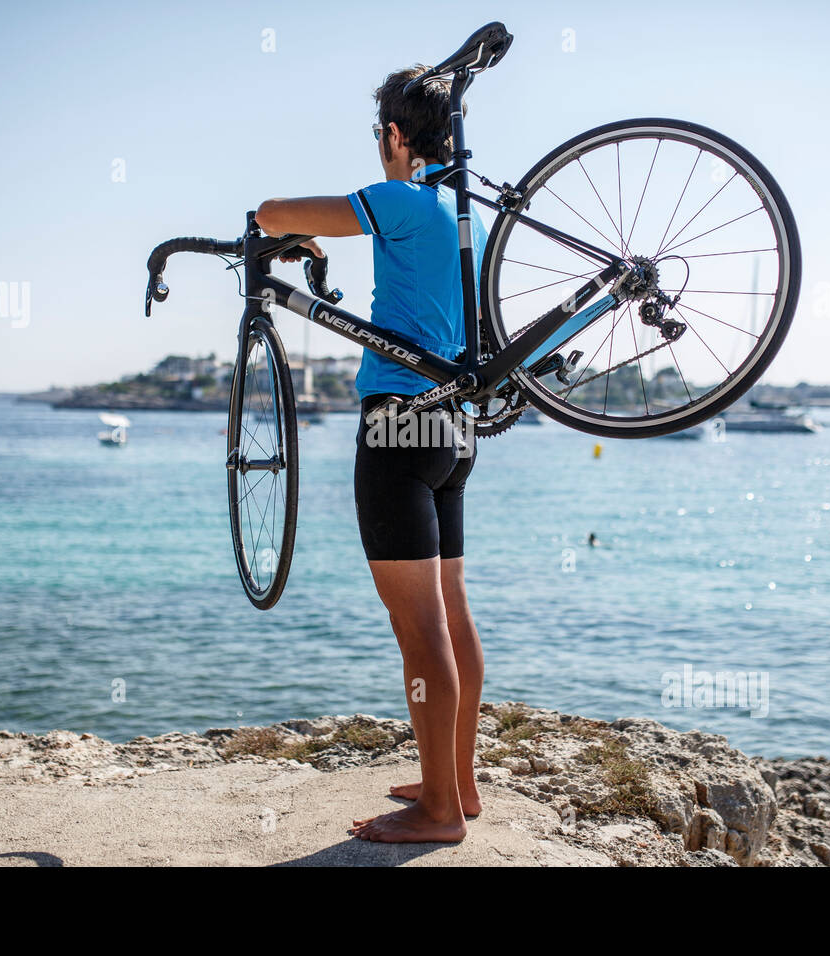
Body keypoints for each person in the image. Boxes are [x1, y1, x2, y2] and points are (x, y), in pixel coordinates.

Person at [255, 65, 488, 844]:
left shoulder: (401, 199)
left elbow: (270, 210)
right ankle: (457, 782)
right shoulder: (467, 220)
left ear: (395, 136)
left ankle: (440, 814)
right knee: (450, 613)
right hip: (451, 429)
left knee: (417, 630)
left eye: (379, 137)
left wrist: (295, 232)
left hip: (395, 423)